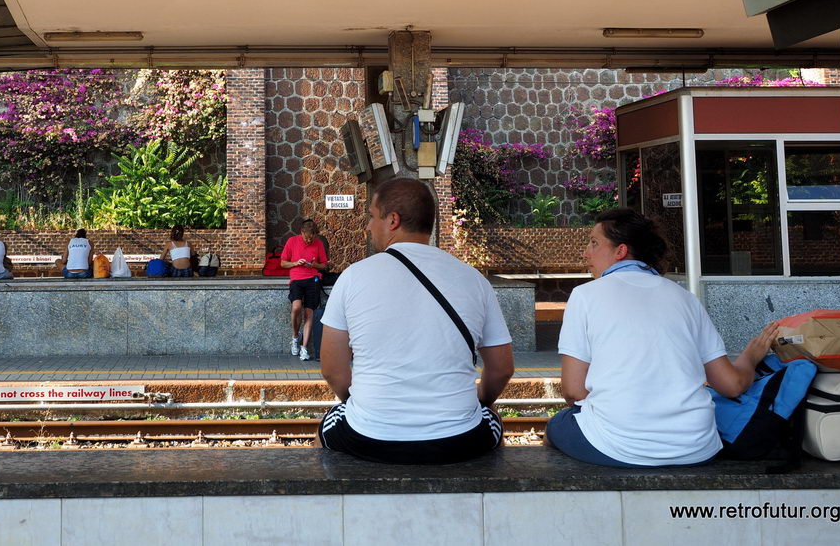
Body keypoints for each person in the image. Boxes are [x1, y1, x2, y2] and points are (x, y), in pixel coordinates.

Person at [548, 208, 780, 467]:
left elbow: (573, 391)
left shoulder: (585, 295)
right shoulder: (685, 299)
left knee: (557, 424)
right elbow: (732, 385)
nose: (586, 253)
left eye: (594, 243)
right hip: (697, 447)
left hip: (616, 446)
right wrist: (750, 356)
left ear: (620, 251)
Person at [318, 177, 513, 463]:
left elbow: (332, 370)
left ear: (393, 220)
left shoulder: (352, 277)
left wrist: (363, 405)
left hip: (369, 438)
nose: (368, 226)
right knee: (492, 420)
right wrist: (480, 401)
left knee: (326, 428)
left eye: (372, 216)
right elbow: (502, 369)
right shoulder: (473, 279)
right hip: (458, 440)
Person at [281, 218, 328, 361]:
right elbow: (283, 263)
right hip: (296, 279)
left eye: (312, 238)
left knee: (309, 313)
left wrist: (313, 265)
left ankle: (304, 348)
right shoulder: (292, 241)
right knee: (296, 307)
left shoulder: (318, 243)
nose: (309, 241)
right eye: (307, 238)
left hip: (312, 279)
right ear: (301, 232)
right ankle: (295, 337)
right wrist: (296, 263)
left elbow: (324, 265)